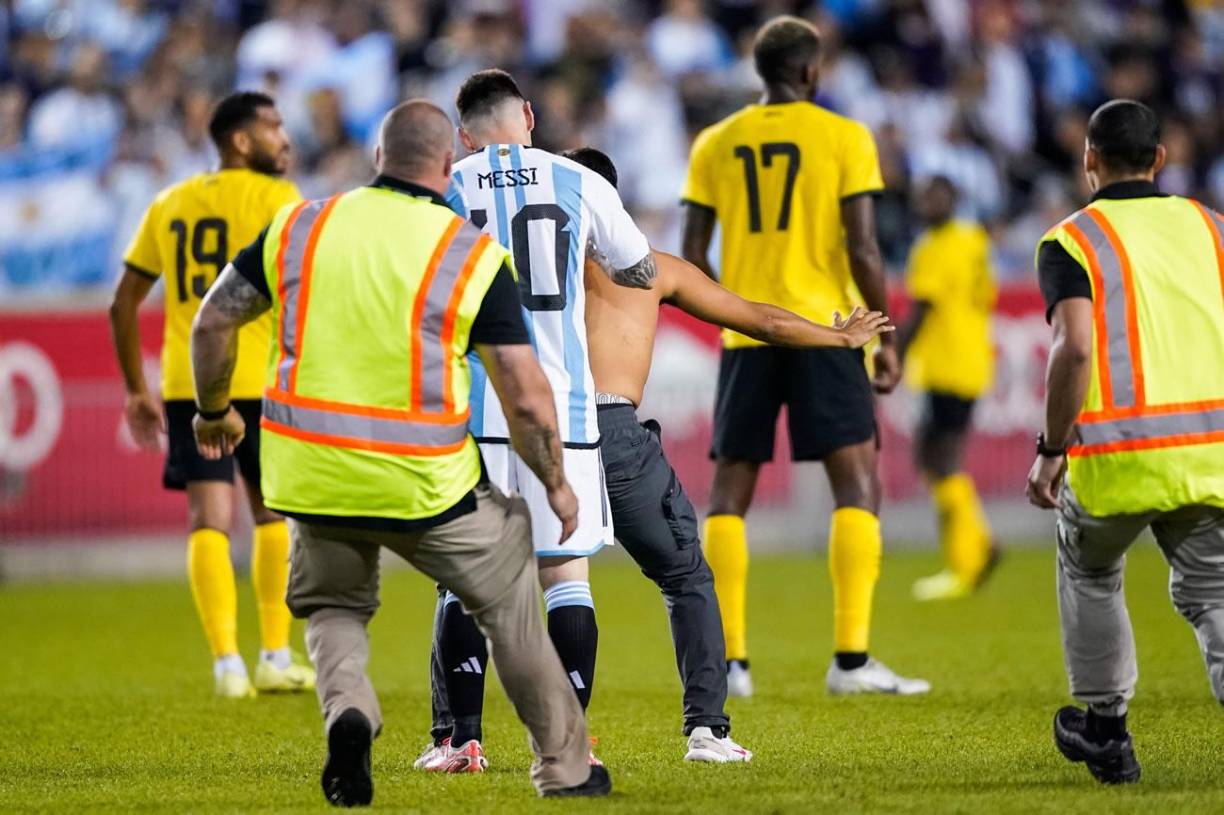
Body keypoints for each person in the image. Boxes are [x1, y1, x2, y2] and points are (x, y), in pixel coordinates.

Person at [189, 100, 611, 805]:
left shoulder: (300, 225)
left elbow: (213, 321)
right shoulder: (469, 253)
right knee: (509, 598)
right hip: (425, 479)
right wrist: (556, 482)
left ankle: (350, 709)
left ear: (378, 157)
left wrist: (213, 411)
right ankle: (564, 766)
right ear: (449, 167)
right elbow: (526, 392)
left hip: (311, 473)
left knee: (333, 606)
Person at [571, 147, 894, 760]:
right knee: (685, 576)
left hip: (535, 433)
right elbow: (758, 319)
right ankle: (706, 731)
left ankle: (460, 735)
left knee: (485, 584)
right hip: (612, 429)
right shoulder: (653, 270)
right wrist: (839, 336)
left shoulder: (518, 267)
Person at [680, 15, 927, 697]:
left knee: (730, 492)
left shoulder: (715, 142)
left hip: (747, 334)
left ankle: (731, 663)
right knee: (858, 485)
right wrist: (884, 335)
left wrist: (735, 304)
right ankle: (851, 660)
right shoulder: (844, 136)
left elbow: (692, 246)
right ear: (812, 71)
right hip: (826, 328)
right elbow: (865, 248)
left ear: (761, 72)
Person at [417, 69, 656, 773]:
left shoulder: (448, 187)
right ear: (527, 115)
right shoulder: (580, 181)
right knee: (567, 574)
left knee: (467, 574)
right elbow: (640, 269)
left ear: (464, 133)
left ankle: (461, 740)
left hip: (478, 407)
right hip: (565, 412)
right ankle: (565, 742)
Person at [1027, 99, 1224, 785]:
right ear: (1160, 159)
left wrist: (1052, 448)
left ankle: (1107, 730)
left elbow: (1074, 346)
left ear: (1089, 160)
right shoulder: (1212, 228)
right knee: (1215, 594)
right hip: (1210, 454)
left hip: (1115, 459)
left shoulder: (1071, 240)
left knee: (1091, 569)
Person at [109, 91, 315, 699]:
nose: (285, 138)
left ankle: (227, 664)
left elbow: (122, 301)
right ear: (241, 141)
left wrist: (134, 391)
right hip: (263, 377)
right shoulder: (280, 200)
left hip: (189, 385)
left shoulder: (170, 204)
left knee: (209, 520)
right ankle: (275, 655)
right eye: (274, 128)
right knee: (272, 512)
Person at [896, 176, 1000, 602]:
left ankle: (970, 559)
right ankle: (974, 547)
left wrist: (893, 356)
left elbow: (922, 311)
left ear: (953, 199)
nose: (927, 202)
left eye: (936, 195)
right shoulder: (973, 238)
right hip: (971, 356)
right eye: (923, 195)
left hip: (948, 363)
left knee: (941, 458)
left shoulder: (933, 248)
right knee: (933, 456)